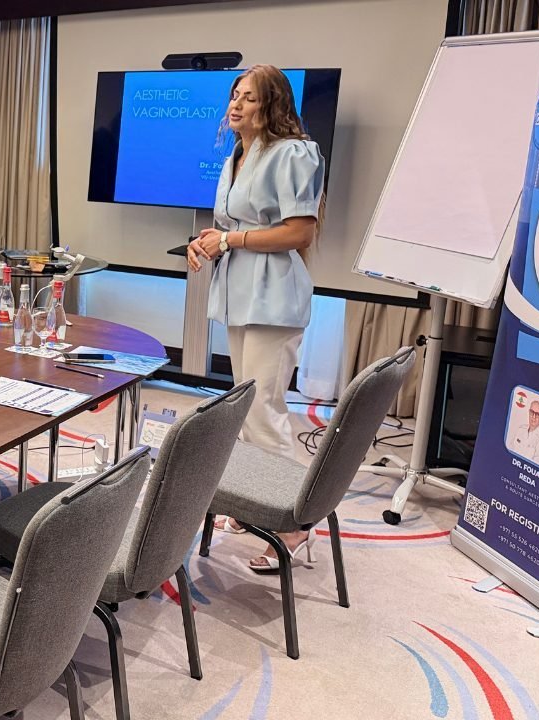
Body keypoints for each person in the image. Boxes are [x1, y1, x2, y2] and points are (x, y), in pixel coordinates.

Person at [186, 65, 325, 572]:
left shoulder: (293, 153)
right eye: (234, 95)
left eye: (249, 97)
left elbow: (299, 232)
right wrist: (207, 241)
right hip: (239, 292)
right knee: (245, 406)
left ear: (273, 105)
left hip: (273, 296)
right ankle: (254, 504)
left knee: (264, 408)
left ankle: (292, 525)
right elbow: (231, 225)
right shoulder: (237, 155)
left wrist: (230, 240)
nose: (236, 105)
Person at [513, 400, 539, 466]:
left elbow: (537, 466)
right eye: (532, 412)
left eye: (537, 414)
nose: (534, 416)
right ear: (529, 412)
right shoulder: (520, 429)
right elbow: (510, 449)